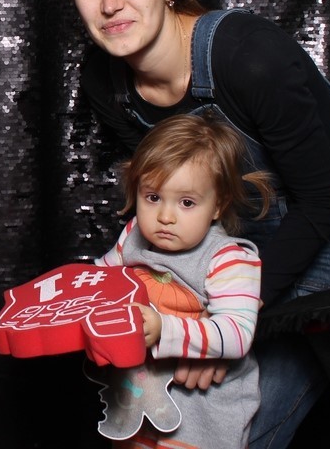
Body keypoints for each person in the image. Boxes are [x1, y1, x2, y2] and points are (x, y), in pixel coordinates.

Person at [65, 0, 330, 448]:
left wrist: (225, 329)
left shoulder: (249, 56)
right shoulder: (106, 83)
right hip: (236, 227)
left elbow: (320, 203)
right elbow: (174, 196)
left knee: (225, 417)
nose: (110, 3)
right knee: (159, 407)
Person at [93, 114, 270, 448]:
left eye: (186, 203)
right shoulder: (133, 235)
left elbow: (237, 334)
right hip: (136, 399)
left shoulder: (229, 259)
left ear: (218, 205)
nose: (165, 216)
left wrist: (163, 329)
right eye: (153, 197)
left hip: (202, 414)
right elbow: (100, 282)